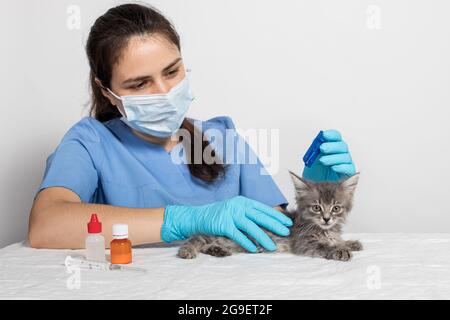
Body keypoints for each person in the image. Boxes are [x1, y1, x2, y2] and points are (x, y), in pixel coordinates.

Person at [28, 3, 356, 252]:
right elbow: (46, 225)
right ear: (107, 92)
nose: (163, 91)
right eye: (139, 84)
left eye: (172, 72)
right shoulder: (90, 142)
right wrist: (184, 220)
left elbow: (277, 233)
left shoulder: (223, 138)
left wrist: (319, 192)